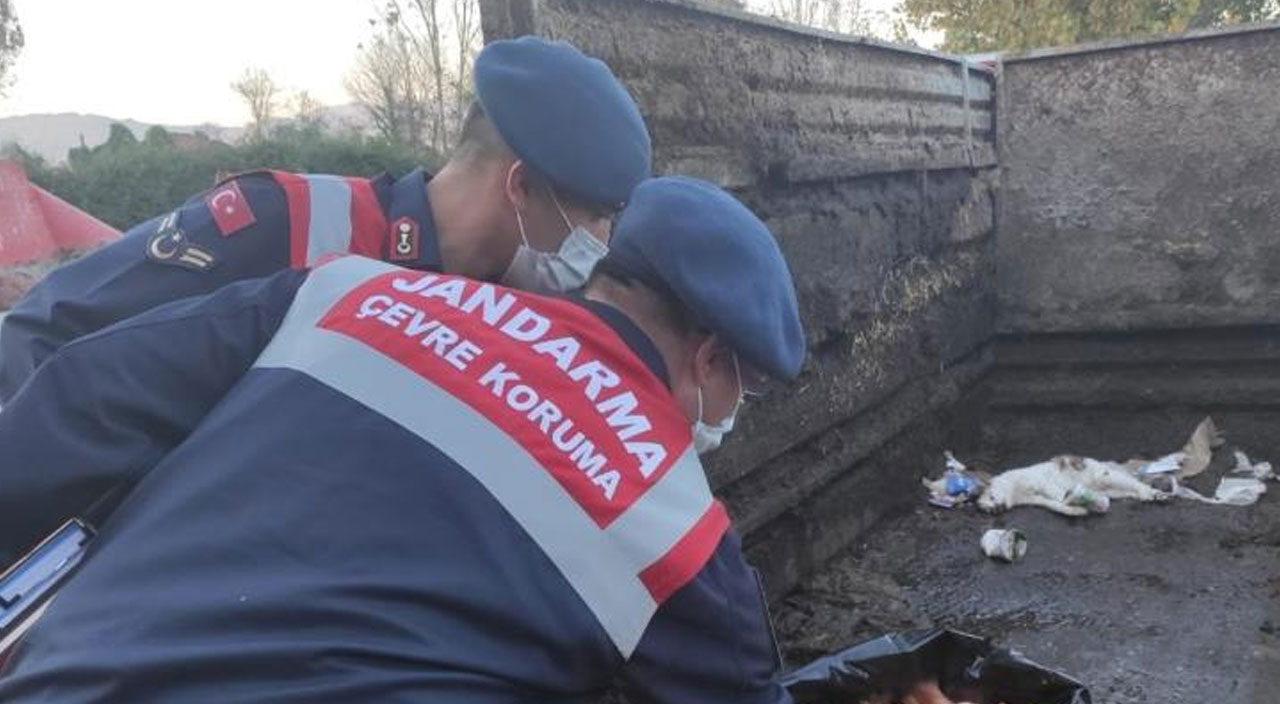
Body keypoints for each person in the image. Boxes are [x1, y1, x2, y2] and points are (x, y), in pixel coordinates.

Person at [0, 176, 806, 703]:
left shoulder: (350, 290)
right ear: (710, 360)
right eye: (745, 387)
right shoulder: (676, 529)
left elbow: (83, 398)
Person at [0, 35, 652, 402]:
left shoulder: (501, 313)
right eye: (595, 218)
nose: (600, 246)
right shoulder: (282, 221)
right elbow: (45, 331)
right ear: (520, 188)